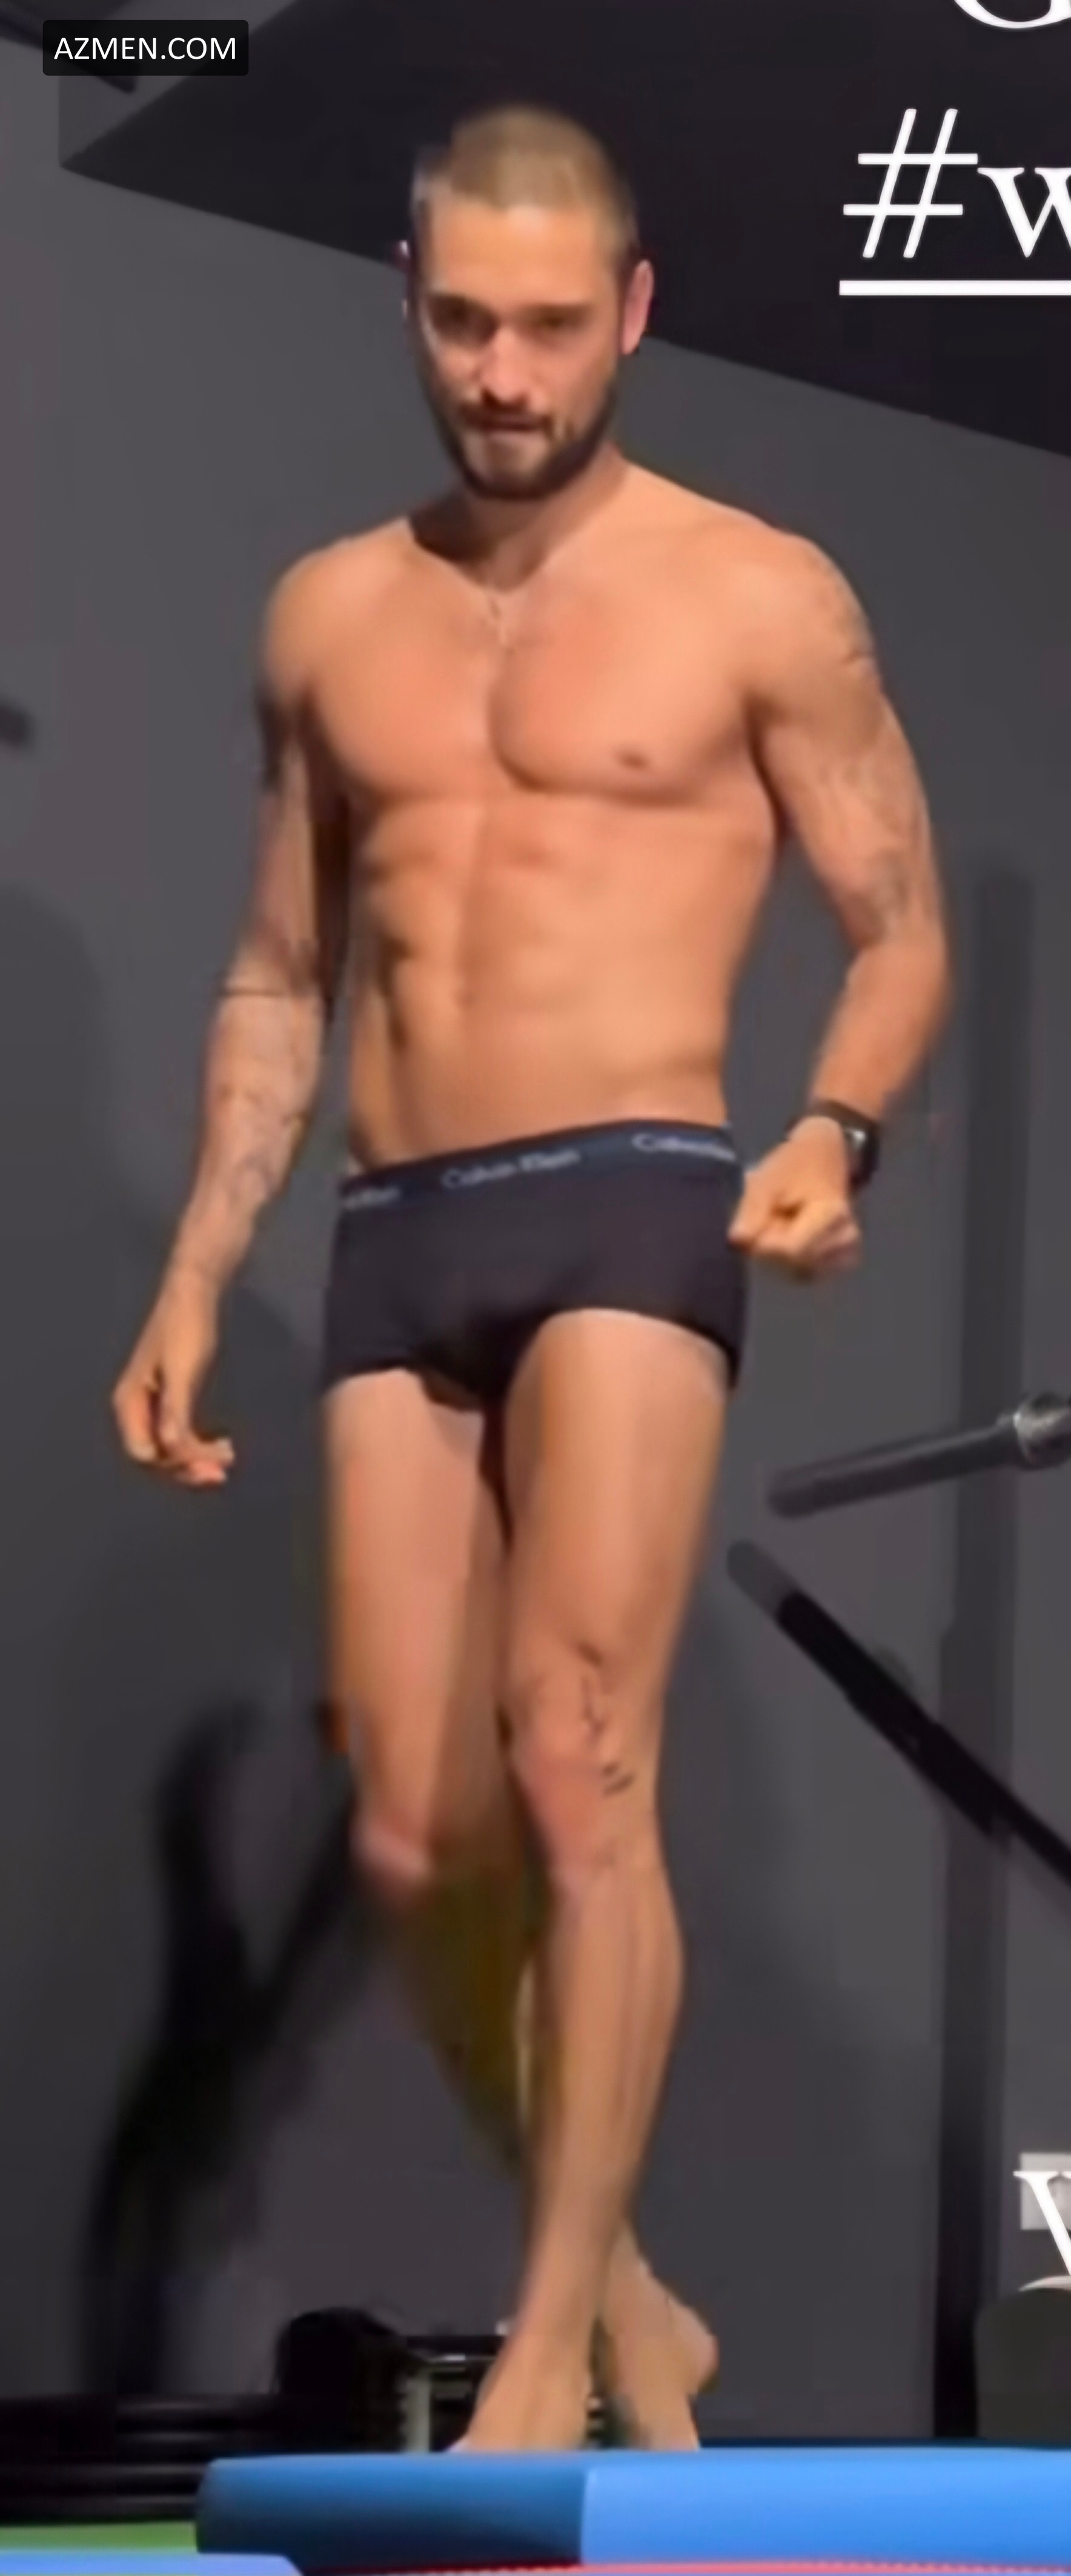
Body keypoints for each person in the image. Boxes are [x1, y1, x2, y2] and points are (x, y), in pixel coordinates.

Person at [111, 104, 952, 2451]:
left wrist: (830, 1126)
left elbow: (897, 930)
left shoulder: (756, 592)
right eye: (466, 320)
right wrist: (197, 1264)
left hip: (633, 1193)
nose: (503, 371)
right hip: (400, 1222)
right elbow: (280, 971)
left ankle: (553, 2336)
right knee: (408, 1826)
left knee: (577, 1757)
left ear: (635, 314)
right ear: (409, 297)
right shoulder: (327, 614)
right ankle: (640, 2295)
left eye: (552, 326)